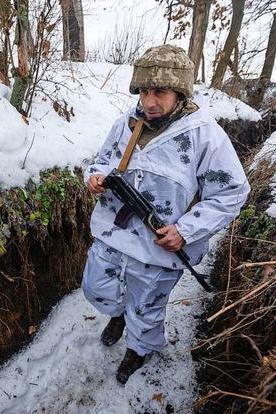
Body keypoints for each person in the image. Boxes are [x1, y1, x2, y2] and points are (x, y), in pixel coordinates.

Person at [81, 44, 250, 384]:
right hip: (113, 232)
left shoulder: (206, 136)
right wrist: (94, 178)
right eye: (143, 91)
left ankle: (139, 350)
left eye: (159, 92)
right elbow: (101, 160)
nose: (148, 101)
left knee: (147, 309)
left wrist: (186, 230)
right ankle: (118, 315)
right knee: (95, 287)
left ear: (180, 92)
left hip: (159, 248)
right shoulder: (126, 124)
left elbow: (232, 192)